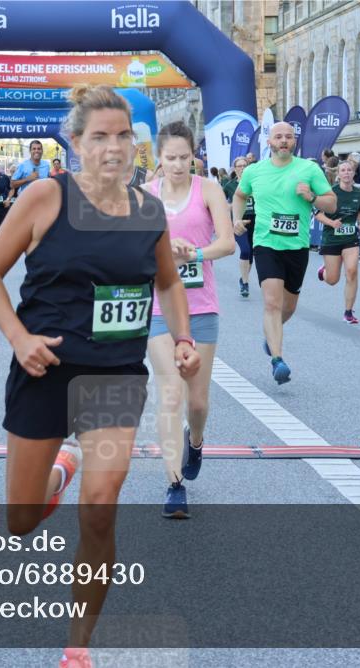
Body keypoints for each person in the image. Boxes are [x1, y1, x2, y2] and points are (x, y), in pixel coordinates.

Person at [0, 84, 199, 666]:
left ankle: (78, 648)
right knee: (21, 520)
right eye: (100, 136)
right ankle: (60, 470)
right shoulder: (45, 197)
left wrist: (182, 338)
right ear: (75, 143)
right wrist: (19, 338)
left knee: (100, 507)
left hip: (114, 374)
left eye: (123, 136)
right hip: (45, 368)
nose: (113, 147)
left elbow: (168, 282)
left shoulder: (148, 211)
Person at [141, 121, 234, 518]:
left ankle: (195, 441)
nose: (178, 165)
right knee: (171, 394)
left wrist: (193, 253)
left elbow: (227, 243)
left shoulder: (208, 190)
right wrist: (164, 254)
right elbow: (132, 248)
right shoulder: (145, 195)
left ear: (194, 156)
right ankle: (174, 483)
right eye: (170, 158)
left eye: (185, 157)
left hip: (201, 306)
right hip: (160, 307)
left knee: (196, 402)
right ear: (159, 159)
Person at [233, 122, 336, 384]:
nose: (283, 140)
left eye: (288, 136)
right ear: (269, 142)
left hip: (297, 246)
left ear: (294, 141)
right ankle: (277, 360)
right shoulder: (254, 171)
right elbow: (240, 195)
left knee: (288, 307)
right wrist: (236, 219)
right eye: (278, 136)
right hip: (266, 244)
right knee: (272, 302)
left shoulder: (309, 169)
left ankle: (272, 333)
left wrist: (312, 197)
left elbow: (332, 204)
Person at [315, 160, 360, 323]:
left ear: (353, 173)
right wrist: (332, 223)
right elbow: (318, 214)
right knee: (332, 280)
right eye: (343, 170)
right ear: (338, 174)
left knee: (352, 272)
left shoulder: (358, 193)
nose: (346, 173)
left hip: (350, 239)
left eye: (349, 170)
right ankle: (323, 272)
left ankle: (348, 312)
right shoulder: (331, 193)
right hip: (331, 239)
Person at [226, 157, 256, 298]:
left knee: (251, 254)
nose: (243, 168)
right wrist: (231, 206)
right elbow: (221, 204)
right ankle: (245, 283)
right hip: (239, 222)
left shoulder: (255, 183)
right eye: (240, 166)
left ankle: (243, 278)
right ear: (235, 169)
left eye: (245, 165)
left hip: (255, 221)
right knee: (245, 250)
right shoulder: (230, 185)